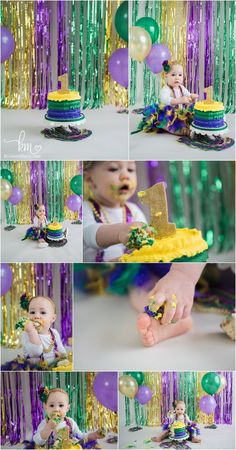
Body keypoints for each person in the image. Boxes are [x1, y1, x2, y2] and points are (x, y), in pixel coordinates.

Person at [83, 161, 148, 262]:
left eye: (130, 169)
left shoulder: (133, 211)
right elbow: (89, 233)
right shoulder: (84, 208)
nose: (125, 176)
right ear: (90, 179)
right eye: (113, 169)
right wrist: (121, 231)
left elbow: (145, 246)